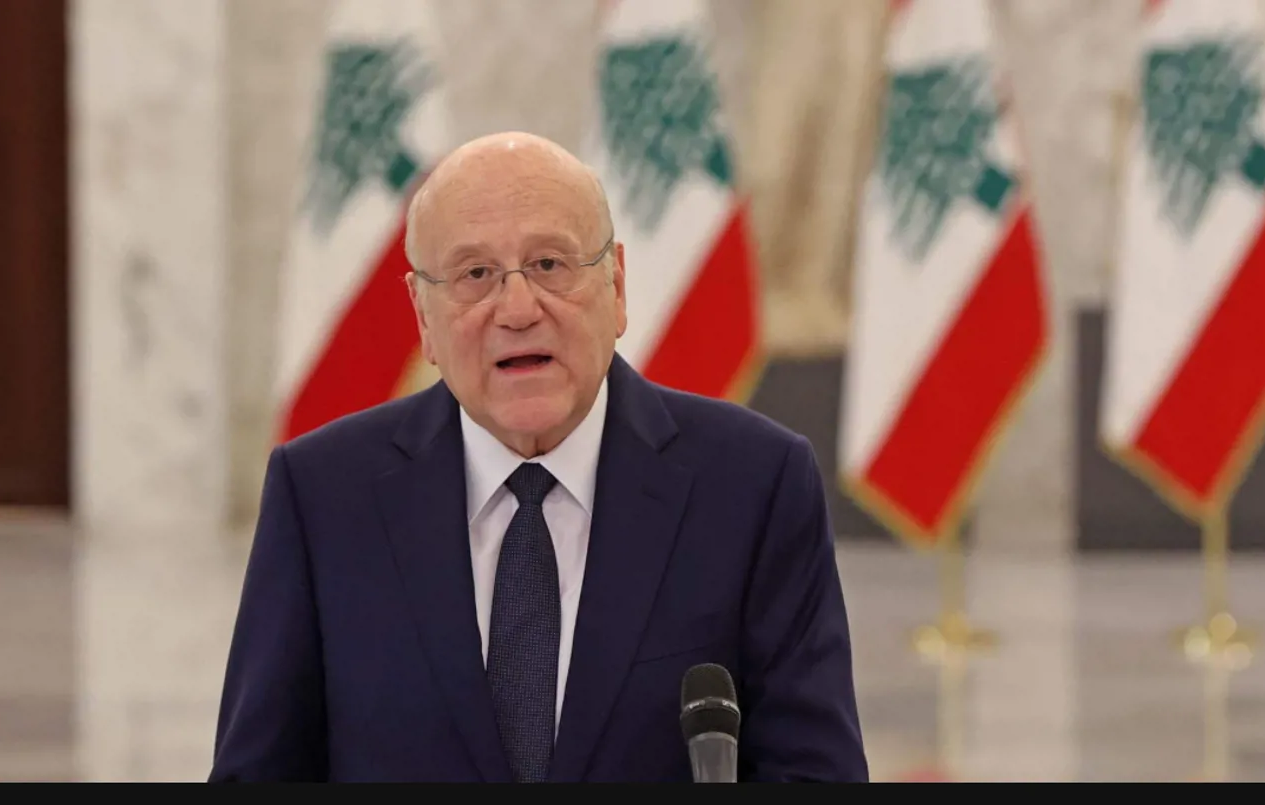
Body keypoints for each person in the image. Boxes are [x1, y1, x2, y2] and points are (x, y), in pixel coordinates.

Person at [209, 131, 868, 782]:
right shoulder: (322, 495)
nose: (518, 309)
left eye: (550, 264)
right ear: (423, 316)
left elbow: (816, 773)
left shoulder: (754, 485)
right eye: (475, 274)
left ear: (616, 284)